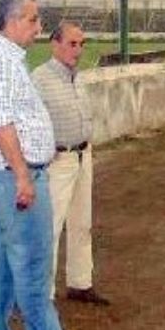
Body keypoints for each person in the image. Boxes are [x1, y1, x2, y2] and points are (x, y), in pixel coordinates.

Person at [0, 0, 72, 330]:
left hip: (2, 174)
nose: (39, 26)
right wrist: (24, 177)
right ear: (12, 21)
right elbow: (0, 123)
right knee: (32, 267)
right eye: (33, 19)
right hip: (12, 177)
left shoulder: (8, 59)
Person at [32, 22, 109, 306]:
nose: (78, 50)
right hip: (57, 160)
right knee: (50, 227)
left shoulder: (78, 78)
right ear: (55, 44)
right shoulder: (39, 79)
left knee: (81, 223)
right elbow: (29, 121)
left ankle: (80, 283)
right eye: (72, 44)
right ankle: (43, 294)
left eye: (81, 44)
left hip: (82, 155)